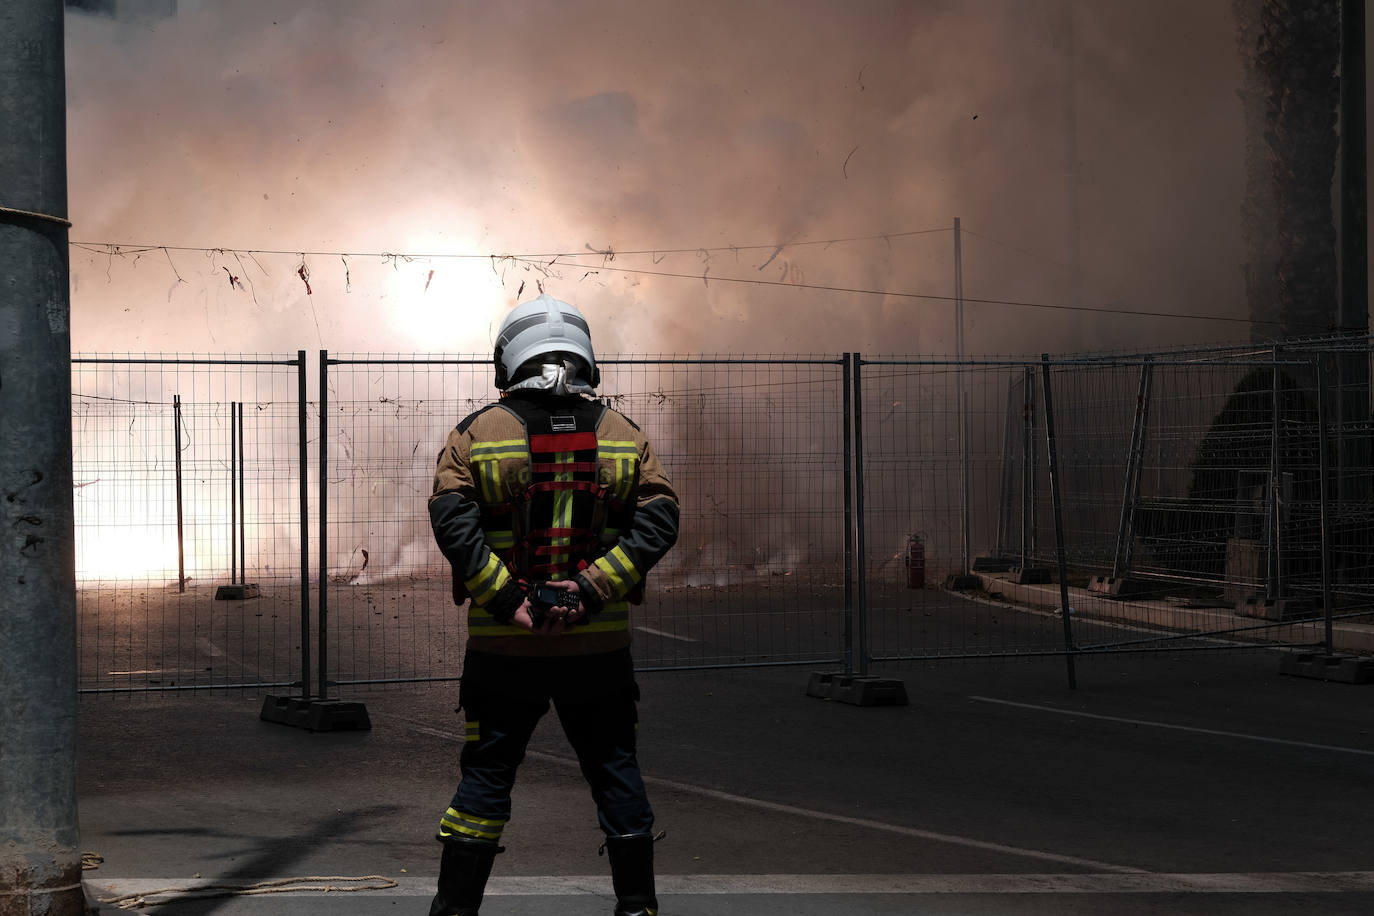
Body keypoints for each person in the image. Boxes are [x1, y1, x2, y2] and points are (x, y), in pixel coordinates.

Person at [427, 293, 680, 916]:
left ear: (510, 356)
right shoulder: (626, 436)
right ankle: (638, 908)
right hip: (599, 652)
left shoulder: (473, 435)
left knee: (485, 779)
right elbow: (661, 518)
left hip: (503, 651)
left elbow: (453, 524)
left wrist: (510, 599)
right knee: (616, 772)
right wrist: (591, 590)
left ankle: (454, 912)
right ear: (585, 355)